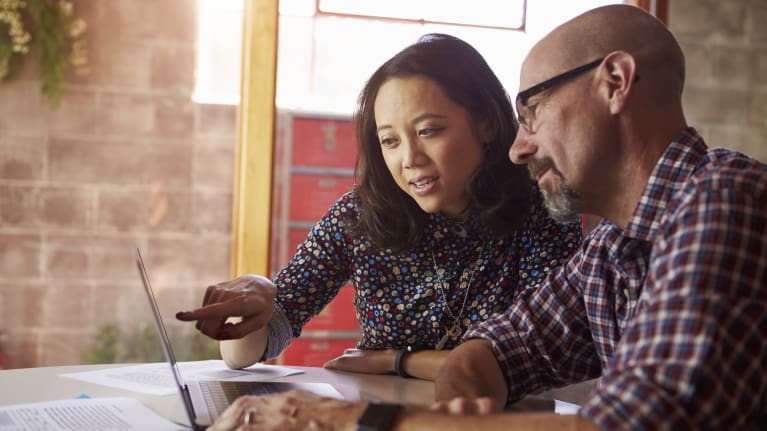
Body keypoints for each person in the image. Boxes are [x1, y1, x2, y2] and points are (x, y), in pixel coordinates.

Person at [203, 4, 767, 430]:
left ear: (615, 83)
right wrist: (462, 388)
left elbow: (631, 424)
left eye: (534, 110)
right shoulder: (614, 248)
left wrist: (344, 418)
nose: (520, 147)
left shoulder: (722, 199)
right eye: (390, 140)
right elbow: (507, 345)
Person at [176, 33, 581, 381]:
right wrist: (259, 295)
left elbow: (537, 356)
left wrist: (397, 362)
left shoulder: (541, 209)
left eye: (428, 131)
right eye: (390, 141)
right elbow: (246, 354)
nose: (410, 158)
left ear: (486, 124)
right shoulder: (359, 216)